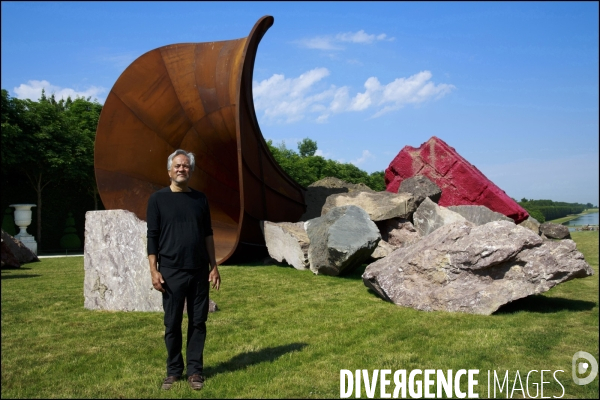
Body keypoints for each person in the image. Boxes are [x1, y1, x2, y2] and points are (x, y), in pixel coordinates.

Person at [147, 149, 221, 391]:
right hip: (171, 272)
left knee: (198, 322)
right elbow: (152, 237)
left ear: (191, 170)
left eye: (186, 166)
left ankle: (195, 371)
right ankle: (173, 371)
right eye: (177, 166)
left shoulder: (200, 199)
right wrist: (153, 270)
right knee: (172, 323)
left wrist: (214, 266)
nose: (182, 169)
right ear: (169, 171)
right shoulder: (157, 199)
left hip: (199, 271)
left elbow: (208, 234)